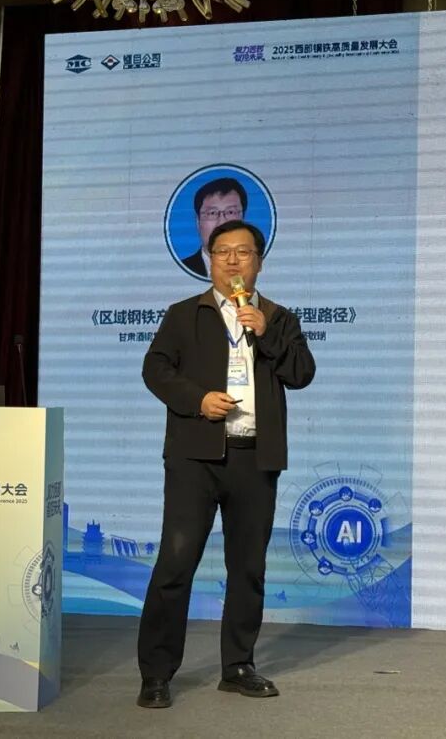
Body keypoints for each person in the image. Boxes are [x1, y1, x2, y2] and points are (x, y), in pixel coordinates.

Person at [137, 220, 316, 706]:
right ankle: (156, 674)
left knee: (248, 567)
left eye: (243, 252)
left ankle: (238, 666)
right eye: (222, 252)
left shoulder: (278, 318)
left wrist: (267, 334)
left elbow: (302, 374)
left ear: (259, 261)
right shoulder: (184, 314)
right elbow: (155, 369)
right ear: (209, 260)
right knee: (176, 562)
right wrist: (197, 400)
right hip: (195, 457)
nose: (233, 261)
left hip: (256, 457)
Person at [180, 177, 247, 277]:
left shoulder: (258, 268)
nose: (222, 222)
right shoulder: (180, 270)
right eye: (212, 213)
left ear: (243, 219)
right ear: (198, 221)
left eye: (230, 212)